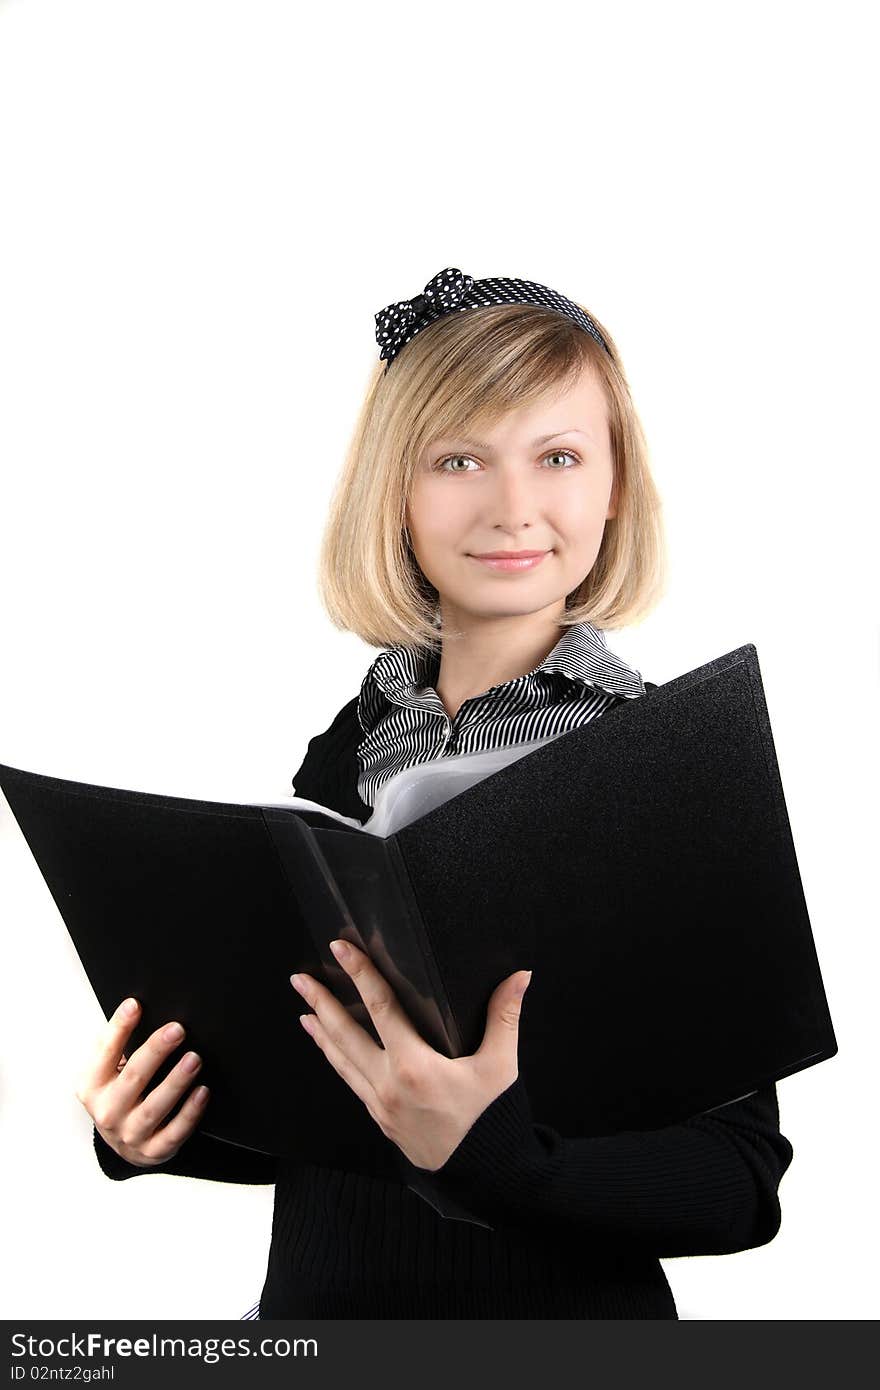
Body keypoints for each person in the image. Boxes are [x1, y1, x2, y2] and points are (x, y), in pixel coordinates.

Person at [76, 268, 795, 1320]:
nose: (512, 507)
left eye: (557, 456)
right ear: (395, 492)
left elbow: (739, 1183)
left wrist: (500, 1160)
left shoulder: (672, 763)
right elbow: (330, 1126)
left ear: (613, 485)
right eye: (458, 458)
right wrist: (157, 1128)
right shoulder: (347, 747)